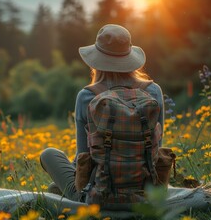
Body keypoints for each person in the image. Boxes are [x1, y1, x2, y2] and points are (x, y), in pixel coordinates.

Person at [40, 24, 165, 202]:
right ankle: (61, 190)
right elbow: (156, 148)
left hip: (100, 193)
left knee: (49, 155)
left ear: (96, 61)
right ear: (129, 57)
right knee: (56, 186)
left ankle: (71, 195)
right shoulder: (153, 91)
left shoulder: (86, 97)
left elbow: (83, 157)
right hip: (147, 190)